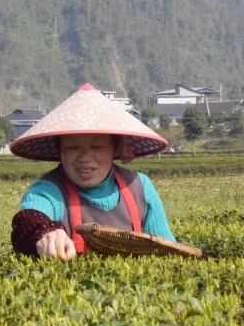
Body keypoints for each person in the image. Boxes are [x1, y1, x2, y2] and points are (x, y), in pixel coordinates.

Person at [10, 83, 174, 261]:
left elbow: (168, 252)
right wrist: (46, 232)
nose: (84, 157)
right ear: (60, 151)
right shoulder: (48, 190)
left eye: (96, 147)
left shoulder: (140, 187)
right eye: (72, 147)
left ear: (115, 148)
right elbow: (29, 219)